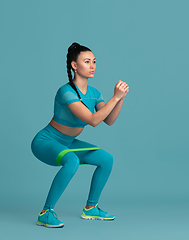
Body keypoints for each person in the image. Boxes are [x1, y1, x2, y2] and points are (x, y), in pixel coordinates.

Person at [31, 42, 129, 228]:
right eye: (86, 61)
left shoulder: (94, 93)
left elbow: (109, 120)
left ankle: (91, 208)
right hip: (46, 141)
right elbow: (93, 120)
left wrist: (121, 98)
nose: (92, 66)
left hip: (68, 142)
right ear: (74, 65)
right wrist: (114, 98)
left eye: (94, 61)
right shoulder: (66, 92)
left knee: (106, 159)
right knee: (72, 160)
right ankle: (46, 212)